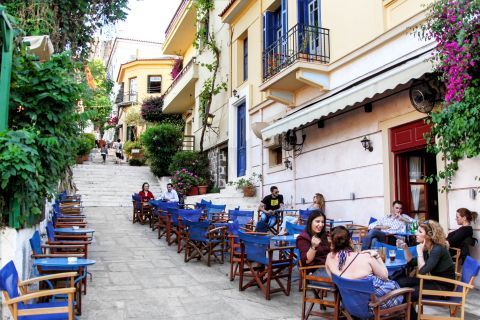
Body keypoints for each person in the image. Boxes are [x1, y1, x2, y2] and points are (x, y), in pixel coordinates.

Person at [325, 226, 403, 310]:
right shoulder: (366, 257)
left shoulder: (329, 258)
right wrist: (377, 256)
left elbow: (333, 279)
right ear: (351, 241)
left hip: (350, 305)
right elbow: (385, 276)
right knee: (406, 293)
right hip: (373, 307)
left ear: (332, 243)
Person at [396, 220, 455, 319]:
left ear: (428, 236)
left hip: (442, 287)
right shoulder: (429, 247)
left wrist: (419, 252)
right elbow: (411, 262)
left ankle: (410, 317)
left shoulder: (437, 249)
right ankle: (403, 315)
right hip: (434, 281)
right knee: (399, 282)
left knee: (407, 294)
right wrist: (405, 248)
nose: (416, 233)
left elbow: (422, 271)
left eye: (420, 232)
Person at [296, 210, 330, 277]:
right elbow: (306, 261)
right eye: (317, 221)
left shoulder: (322, 235)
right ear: (310, 222)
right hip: (313, 271)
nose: (321, 224)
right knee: (340, 280)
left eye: (322, 222)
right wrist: (313, 247)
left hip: (327, 267)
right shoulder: (303, 238)